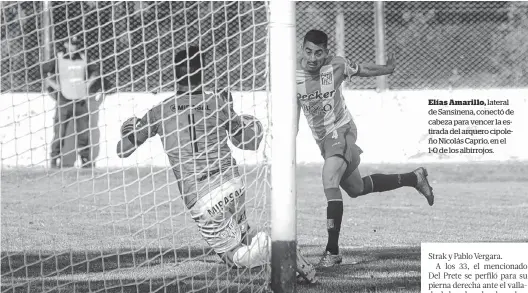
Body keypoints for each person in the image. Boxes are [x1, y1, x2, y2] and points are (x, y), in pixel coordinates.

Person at [117, 46, 316, 283]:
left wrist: (131, 129)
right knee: (243, 234)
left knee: (233, 258)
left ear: (175, 73)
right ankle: (302, 265)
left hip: (201, 195)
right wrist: (246, 121)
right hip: (232, 183)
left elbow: (123, 151)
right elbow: (247, 142)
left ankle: (269, 247)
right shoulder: (217, 103)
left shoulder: (160, 110)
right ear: (203, 72)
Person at [296, 30, 435, 267]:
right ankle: (414, 178)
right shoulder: (293, 74)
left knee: (329, 178)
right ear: (302, 50)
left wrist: (387, 69)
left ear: (326, 53)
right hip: (323, 140)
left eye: (318, 53)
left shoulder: (336, 65)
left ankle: (332, 252)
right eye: (308, 51)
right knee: (356, 188)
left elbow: (362, 70)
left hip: (342, 130)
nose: (312, 58)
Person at [42, 36, 101, 168]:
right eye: (71, 44)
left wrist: (87, 85)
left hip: (80, 102)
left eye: (75, 44)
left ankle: (85, 160)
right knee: (59, 132)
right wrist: (54, 86)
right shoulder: (58, 58)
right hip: (64, 101)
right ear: (65, 44)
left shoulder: (83, 58)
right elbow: (43, 71)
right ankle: (54, 159)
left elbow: (96, 71)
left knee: (84, 132)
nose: (73, 47)